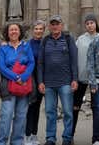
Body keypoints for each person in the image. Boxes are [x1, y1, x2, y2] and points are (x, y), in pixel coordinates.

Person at [38, 14, 78, 145]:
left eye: (57, 24)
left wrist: (74, 79)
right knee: (50, 112)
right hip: (48, 83)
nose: (55, 26)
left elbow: (74, 61)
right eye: (52, 24)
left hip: (65, 82)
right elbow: (40, 63)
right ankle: (50, 138)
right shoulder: (45, 41)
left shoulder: (68, 39)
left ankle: (67, 138)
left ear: (62, 25)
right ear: (49, 26)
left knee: (67, 112)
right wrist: (40, 81)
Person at [0, 22, 35, 145]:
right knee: (6, 116)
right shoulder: (3, 48)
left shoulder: (26, 46)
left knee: (21, 116)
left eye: (16, 29)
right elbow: (1, 66)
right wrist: (15, 77)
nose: (13, 32)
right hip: (8, 85)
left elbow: (31, 62)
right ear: (7, 33)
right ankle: (1, 142)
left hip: (24, 84)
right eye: (11, 30)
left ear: (20, 32)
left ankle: (17, 141)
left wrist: (23, 77)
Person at [74, 14, 99, 136]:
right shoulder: (80, 39)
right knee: (75, 107)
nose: (90, 25)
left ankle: (98, 137)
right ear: (85, 25)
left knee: (98, 109)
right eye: (88, 23)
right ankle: (70, 135)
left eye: (92, 22)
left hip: (97, 79)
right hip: (81, 78)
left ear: (96, 24)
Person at [25, 20, 46, 145]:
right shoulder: (27, 44)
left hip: (42, 79)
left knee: (37, 107)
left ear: (44, 30)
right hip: (30, 79)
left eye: (40, 29)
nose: (38, 31)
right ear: (33, 30)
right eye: (36, 29)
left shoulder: (46, 43)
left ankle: (34, 135)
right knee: (29, 107)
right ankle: (26, 134)